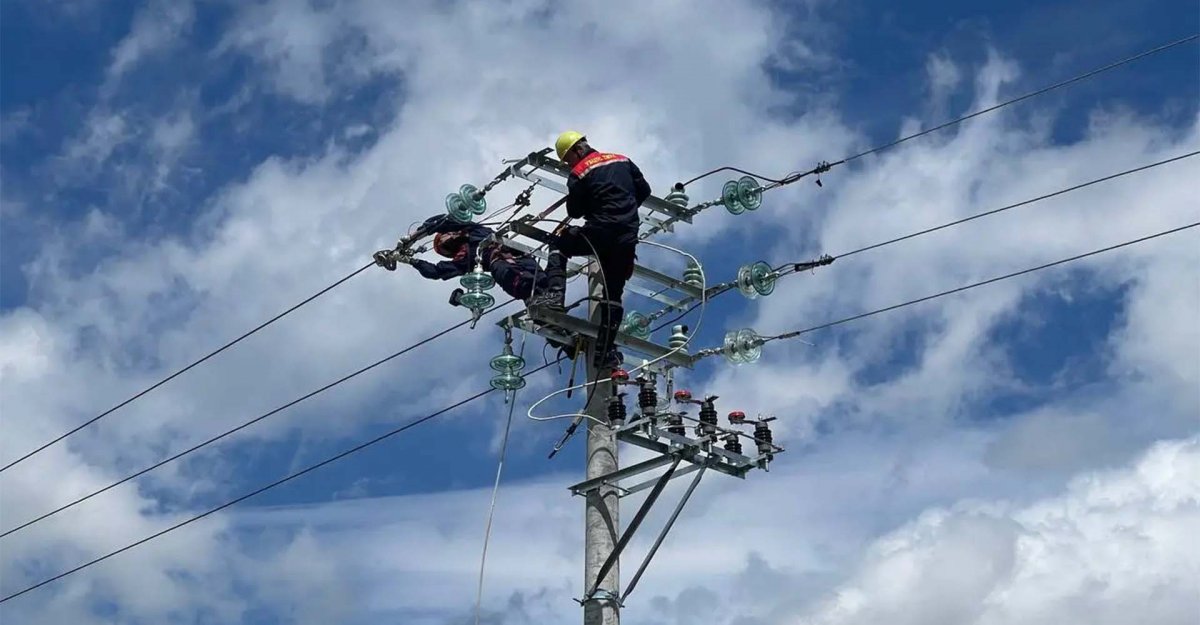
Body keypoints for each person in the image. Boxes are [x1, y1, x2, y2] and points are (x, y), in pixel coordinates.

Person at [528, 131, 651, 372]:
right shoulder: (622, 159)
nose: (568, 165)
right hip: (626, 236)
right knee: (612, 296)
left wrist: (598, 207)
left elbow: (574, 211)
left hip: (600, 232)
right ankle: (605, 354)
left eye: (567, 160)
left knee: (558, 244)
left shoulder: (579, 171)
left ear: (577, 150)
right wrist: (623, 208)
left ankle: (554, 297)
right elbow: (644, 191)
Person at [383, 214, 553, 306]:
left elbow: (443, 221)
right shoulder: (463, 258)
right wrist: (410, 261)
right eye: (442, 243)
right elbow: (436, 272)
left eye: (443, 236)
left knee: (546, 285)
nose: (447, 237)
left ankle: (550, 303)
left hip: (522, 258)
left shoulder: (472, 230)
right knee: (522, 286)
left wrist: (415, 235)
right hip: (502, 267)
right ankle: (546, 318)